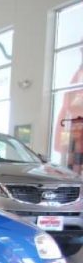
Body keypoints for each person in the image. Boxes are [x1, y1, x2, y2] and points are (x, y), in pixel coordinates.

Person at [54, 42, 83, 175]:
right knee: (71, 156)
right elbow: (70, 99)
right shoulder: (78, 72)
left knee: (74, 155)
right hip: (72, 124)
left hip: (74, 124)